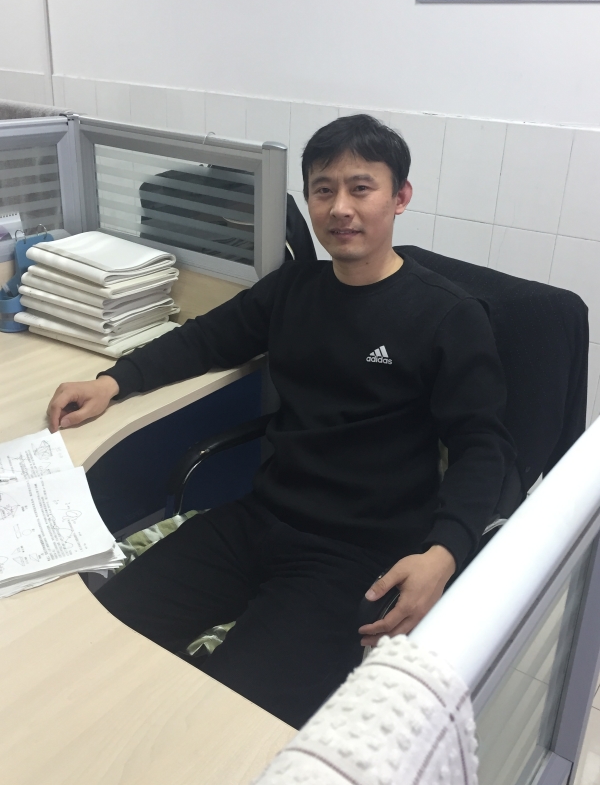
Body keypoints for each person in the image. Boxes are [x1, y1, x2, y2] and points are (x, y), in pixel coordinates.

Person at [47, 114, 515, 728]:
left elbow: (484, 445)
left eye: (361, 188)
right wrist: (114, 381)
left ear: (400, 197)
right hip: (260, 518)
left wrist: (446, 552)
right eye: (323, 189)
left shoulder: (448, 315)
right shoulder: (296, 288)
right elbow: (207, 338)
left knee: (232, 718)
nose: (340, 208)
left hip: (356, 556)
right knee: (99, 638)